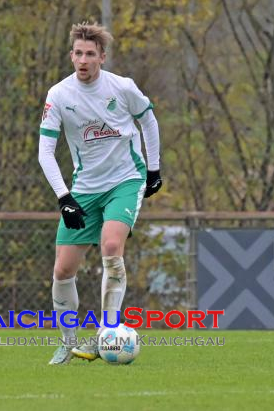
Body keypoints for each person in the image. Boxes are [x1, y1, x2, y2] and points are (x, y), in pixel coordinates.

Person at [38, 22, 162, 365]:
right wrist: (65, 198)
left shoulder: (122, 88)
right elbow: (45, 152)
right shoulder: (59, 95)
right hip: (84, 189)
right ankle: (67, 343)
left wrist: (154, 169)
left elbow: (148, 121)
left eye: (90, 54)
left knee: (110, 246)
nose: (83, 60)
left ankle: (106, 334)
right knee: (63, 270)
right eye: (78, 53)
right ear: (71, 56)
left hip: (125, 179)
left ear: (102, 58)